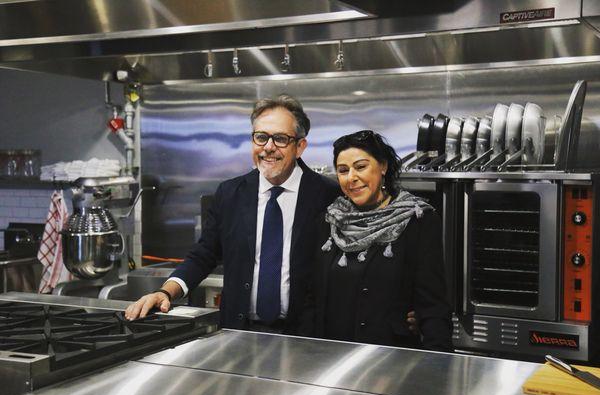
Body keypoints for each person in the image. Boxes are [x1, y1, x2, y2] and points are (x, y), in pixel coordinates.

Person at [125, 94, 340, 333]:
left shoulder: (328, 195)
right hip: (239, 331)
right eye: (261, 137)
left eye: (280, 139)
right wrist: (165, 291)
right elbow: (204, 254)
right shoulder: (230, 193)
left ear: (300, 146)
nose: (268, 147)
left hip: (307, 336)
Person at [299, 130, 452, 351]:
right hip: (329, 357)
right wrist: (305, 353)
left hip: (390, 359)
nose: (351, 177)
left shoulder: (417, 220)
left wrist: (439, 366)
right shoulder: (329, 220)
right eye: (343, 170)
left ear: (383, 166)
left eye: (361, 167)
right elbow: (311, 299)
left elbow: (433, 306)